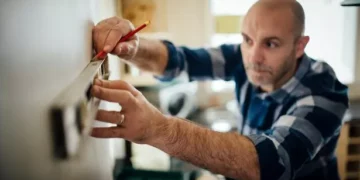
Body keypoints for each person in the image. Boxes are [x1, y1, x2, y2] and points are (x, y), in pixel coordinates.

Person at [91, 0, 349, 179]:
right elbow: (180, 60)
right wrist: (132, 47)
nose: (253, 57)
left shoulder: (324, 92)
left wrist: (158, 129)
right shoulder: (245, 56)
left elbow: (269, 163)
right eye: (247, 39)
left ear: (299, 46)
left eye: (271, 44)